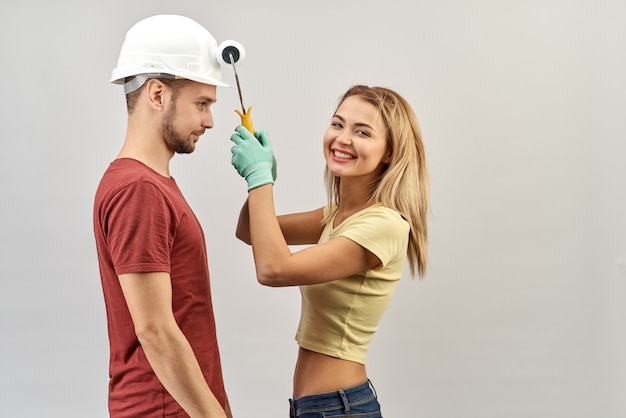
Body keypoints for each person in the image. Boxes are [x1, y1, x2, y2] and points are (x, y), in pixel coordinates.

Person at [229, 85, 429, 417]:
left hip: (339, 407)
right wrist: (262, 182)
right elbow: (250, 230)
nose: (343, 138)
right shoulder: (334, 216)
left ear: (390, 152)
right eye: (338, 124)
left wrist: (260, 179)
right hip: (314, 407)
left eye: (362, 132)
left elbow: (273, 269)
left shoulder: (384, 225)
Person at [93, 15, 235, 417]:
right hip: (162, 409)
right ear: (157, 94)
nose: (209, 121)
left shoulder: (151, 184)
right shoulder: (139, 190)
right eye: (202, 104)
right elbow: (154, 330)